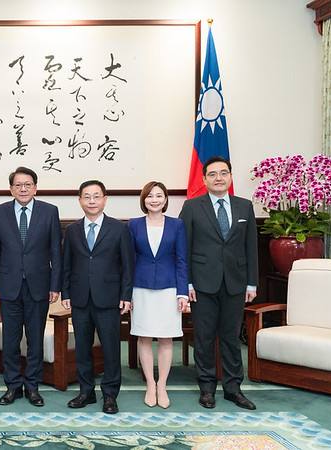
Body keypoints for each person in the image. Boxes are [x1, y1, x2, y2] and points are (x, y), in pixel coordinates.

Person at [179, 156, 258, 410]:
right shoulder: (192, 207)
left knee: (231, 338)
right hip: (202, 284)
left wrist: (252, 283)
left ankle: (234, 389)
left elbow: (251, 248)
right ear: (204, 180)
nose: (219, 178)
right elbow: (184, 248)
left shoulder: (244, 206)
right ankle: (206, 388)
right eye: (212, 174)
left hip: (235, 283)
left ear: (231, 177)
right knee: (203, 338)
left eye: (224, 173)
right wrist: (187, 283)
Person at [0, 167, 61, 407]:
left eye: (27, 184)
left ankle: (32, 386)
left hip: (39, 286)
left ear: (35, 187)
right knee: (10, 339)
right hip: (8, 286)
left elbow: (55, 253)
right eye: (18, 185)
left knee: (35, 339)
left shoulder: (49, 212)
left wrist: (55, 285)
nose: (23, 188)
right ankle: (12, 386)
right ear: (11, 188)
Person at [61, 179, 133, 415]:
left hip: (109, 298)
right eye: (87, 197)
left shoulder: (119, 228)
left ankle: (110, 395)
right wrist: (66, 293)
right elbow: (66, 265)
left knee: (111, 348)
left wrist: (126, 295)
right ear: (80, 200)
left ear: (104, 199)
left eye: (96, 196)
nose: (91, 201)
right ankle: (86, 391)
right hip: (80, 299)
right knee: (82, 347)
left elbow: (127, 266)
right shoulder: (72, 230)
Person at [128, 181, 189, 409]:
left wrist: (182, 292)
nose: (154, 199)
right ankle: (150, 384)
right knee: (143, 336)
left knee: (166, 337)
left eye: (159, 195)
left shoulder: (177, 225)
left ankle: (162, 385)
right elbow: (128, 261)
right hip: (140, 288)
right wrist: (127, 293)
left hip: (169, 288)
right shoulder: (133, 225)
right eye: (150, 196)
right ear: (143, 200)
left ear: (165, 199)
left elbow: (182, 260)